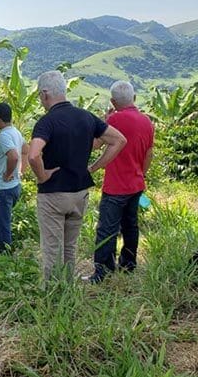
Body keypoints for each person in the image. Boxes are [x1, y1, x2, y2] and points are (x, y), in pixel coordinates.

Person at [28, 71, 127, 282]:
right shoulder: (86, 117)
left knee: (53, 249)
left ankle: (54, 297)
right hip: (80, 193)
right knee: (69, 247)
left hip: (53, 194)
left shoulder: (46, 122)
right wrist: (93, 168)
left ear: (45, 94)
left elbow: (34, 155)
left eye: (39, 95)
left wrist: (43, 175)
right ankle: (68, 290)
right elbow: (119, 140)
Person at [85, 81, 154, 283]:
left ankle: (102, 273)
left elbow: (95, 145)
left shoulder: (114, 119)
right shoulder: (147, 121)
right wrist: (141, 173)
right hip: (136, 183)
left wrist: (104, 120)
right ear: (134, 99)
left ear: (113, 102)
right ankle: (128, 265)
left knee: (107, 229)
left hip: (116, 186)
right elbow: (149, 153)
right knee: (130, 226)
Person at [0, 103, 29, 253]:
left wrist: (9, 173)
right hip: (12, 186)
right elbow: (26, 150)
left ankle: (5, 252)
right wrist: (20, 171)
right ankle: (2, 245)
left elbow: (13, 156)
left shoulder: (4, 135)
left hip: (2, 188)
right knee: (2, 219)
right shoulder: (15, 132)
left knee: (2, 222)